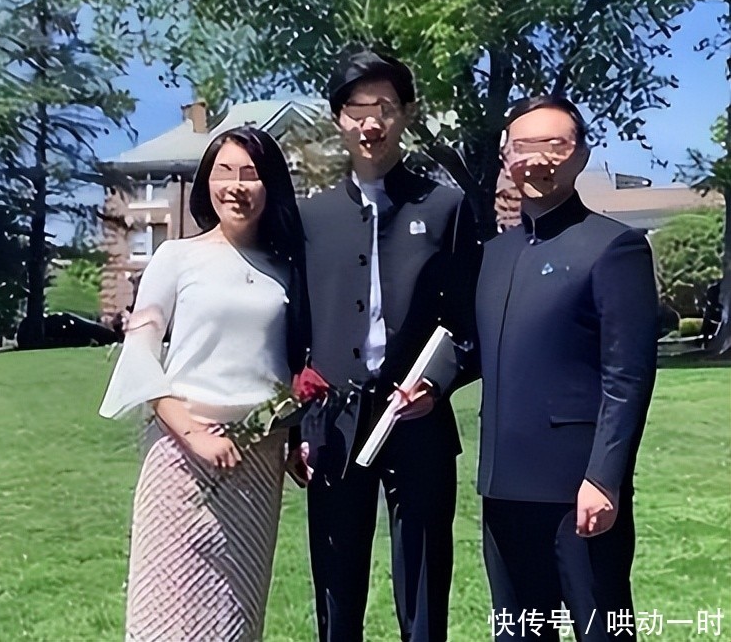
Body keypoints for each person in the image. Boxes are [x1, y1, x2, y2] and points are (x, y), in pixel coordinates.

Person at [293, 48, 480, 641]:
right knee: (336, 590)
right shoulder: (310, 219)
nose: (370, 123)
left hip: (419, 423)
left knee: (424, 589)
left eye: (385, 108)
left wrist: (438, 384)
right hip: (336, 427)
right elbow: (295, 331)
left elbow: (472, 325)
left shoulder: (445, 208)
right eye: (356, 109)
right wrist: (299, 426)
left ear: (406, 114)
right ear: (338, 119)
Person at [97, 126, 310, 641]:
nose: (236, 186)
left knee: (234, 614)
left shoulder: (287, 268)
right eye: (224, 172)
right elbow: (141, 352)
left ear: (271, 185)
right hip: (180, 453)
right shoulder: (176, 256)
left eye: (251, 174)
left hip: (256, 461)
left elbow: (292, 360)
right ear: (206, 184)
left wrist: (295, 439)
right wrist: (193, 435)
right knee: (166, 610)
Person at [475, 96, 657, 640]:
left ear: (581, 155)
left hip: (578, 490)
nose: (537, 160)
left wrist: (604, 477)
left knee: (602, 628)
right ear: (506, 157)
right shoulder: (494, 254)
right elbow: (476, 347)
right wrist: (432, 384)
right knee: (519, 630)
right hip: (503, 487)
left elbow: (628, 375)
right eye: (523, 147)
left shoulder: (615, 247)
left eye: (554, 145)